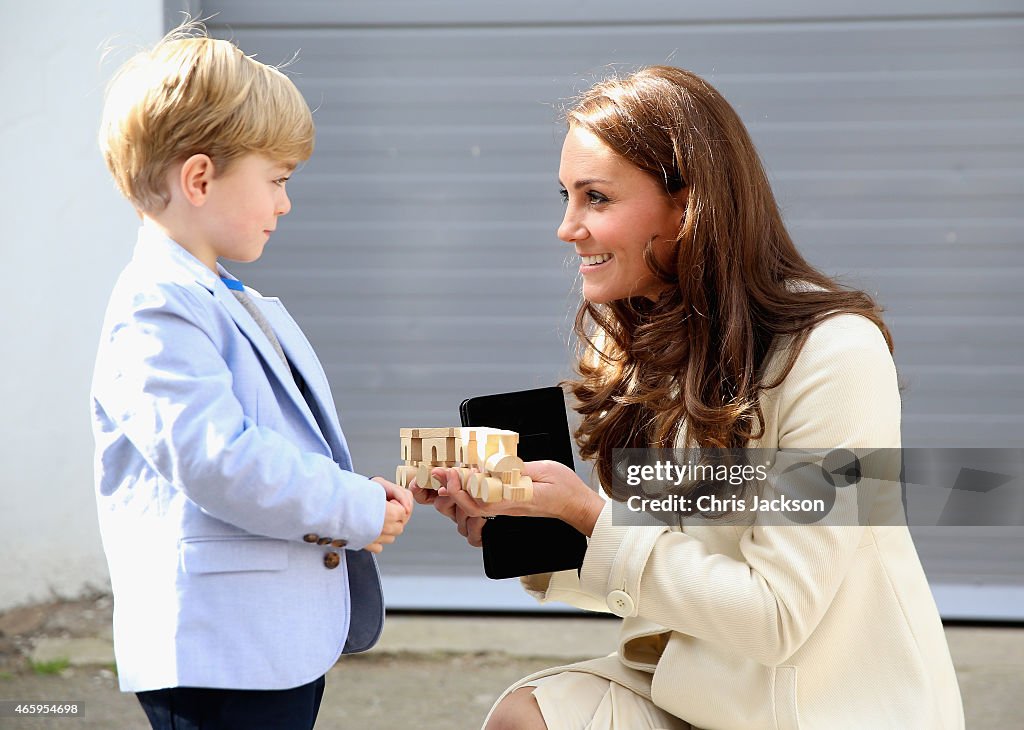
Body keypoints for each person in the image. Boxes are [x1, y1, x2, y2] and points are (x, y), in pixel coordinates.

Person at [415, 66, 964, 729]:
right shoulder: (638, 348)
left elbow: (774, 617)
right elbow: (665, 571)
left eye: (596, 198)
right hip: (690, 684)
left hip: (815, 704)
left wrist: (590, 517)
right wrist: (536, 533)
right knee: (524, 718)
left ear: (686, 203)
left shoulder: (836, 354)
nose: (567, 227)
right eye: (564, 196)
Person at [92, 22, 412, 730]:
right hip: (220, 657)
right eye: (276, 180)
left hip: (265, 647)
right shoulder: (157, 304)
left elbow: (275, 444)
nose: (285, 203)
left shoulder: (216, 294)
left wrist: (358, 494)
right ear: (200, 178)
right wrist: (348, 507)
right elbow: (219, 459)